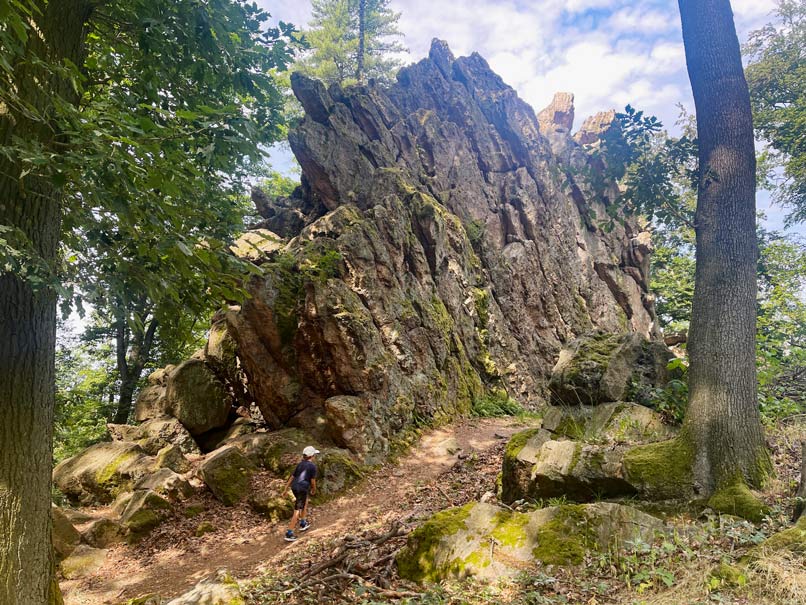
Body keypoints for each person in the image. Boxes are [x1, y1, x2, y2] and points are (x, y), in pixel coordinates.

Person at [282, 445, 319, 542]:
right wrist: (314, 489)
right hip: (302, 488)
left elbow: (292, 476)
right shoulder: (312, 466)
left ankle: (303, 522)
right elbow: (313, 480)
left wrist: (286, 488)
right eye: (314, 455)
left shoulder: (300, 464)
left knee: (304, 502)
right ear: (312, 456)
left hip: (295, 487)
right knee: (297, 510)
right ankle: (289, 532)